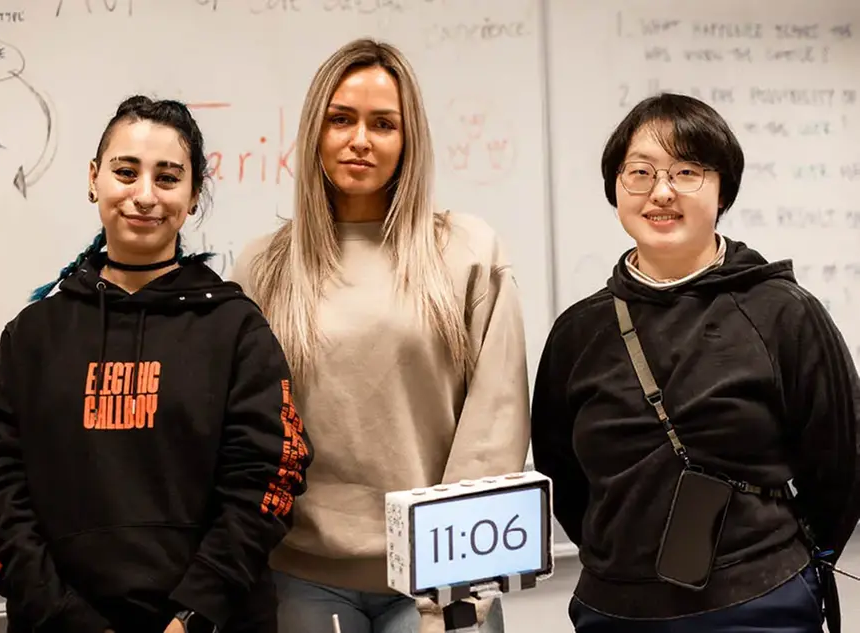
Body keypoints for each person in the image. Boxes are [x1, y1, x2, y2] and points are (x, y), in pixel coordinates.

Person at [0, 95, 313, 633]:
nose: (144, 196)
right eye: (126, 172)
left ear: (194, 195)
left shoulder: (237, 329)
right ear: (94, 178)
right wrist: (64, 616)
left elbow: (267, 480)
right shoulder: (32, 335)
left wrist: (192, 616)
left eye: (168, 178)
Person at [230, 38, 531, 633]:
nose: (360, 139)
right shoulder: (262, 268)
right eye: (341, 119)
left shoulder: (468, 252)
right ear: (315, 132)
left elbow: (496, 419)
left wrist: (457, 580)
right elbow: (246, 434)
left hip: (440, 574)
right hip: (301, 575)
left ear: (408, 139)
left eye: (383, 124)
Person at [531, 92, 860, 632]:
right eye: (640, 172)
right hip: (614, 611)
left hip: (759, 604)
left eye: (687, 171)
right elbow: (563, 479)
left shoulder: (783, 313)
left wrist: (777, 568)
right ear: (616, 187)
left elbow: (840, 469)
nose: (661, 191)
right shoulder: (577, 332)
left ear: (723, 188)